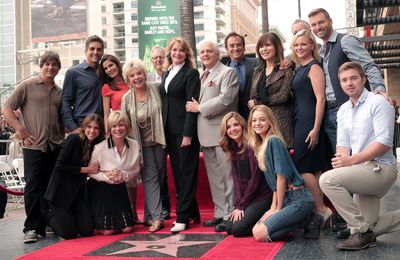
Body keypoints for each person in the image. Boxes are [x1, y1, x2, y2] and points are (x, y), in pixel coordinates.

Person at [319, 62, 400, 251]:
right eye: (344, 80)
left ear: (363, 79)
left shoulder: (378, 102)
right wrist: (341, 163)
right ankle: (366, 232)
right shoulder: (343, 110)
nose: (349, 83)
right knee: (371, 226)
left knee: (327, 180)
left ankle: (359, 230)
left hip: (381, 169)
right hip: (361, 170)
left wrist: (350, 162)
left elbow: (384, 143)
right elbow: (343, 145)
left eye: (353, 78)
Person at [2, 51, 65, 243]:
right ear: (41, 66)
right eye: (47, 64)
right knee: (33, 187)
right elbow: (6, 108)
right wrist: (20, 129)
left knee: (50, 187)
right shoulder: (27, 86)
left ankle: (47, 221)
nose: (50, 67)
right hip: (33, 145)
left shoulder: (60, 92)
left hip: (55, 145)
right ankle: (31, 227)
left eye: (54, 65)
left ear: (58, 68)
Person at [308, 8, 386, 149]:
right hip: (329, 113)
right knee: (342, 159)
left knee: (358, 155)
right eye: (313, 25)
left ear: (330, 21)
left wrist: (379, 89)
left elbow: (368, 66)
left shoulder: (345, 41)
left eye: (321, 22)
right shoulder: (321, 51)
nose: (317, 27)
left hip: (351, 108)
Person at [186, 40, 238, 232]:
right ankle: (219, 213)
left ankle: (231, 213)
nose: (205, 54)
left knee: (227, 175)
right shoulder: (202, 76)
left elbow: (226, 99)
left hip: (221, 133)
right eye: (202, 52)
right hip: (205, 135)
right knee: (215, 177)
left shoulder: (227, 72)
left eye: (209, 51)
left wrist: (200, 108)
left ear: (217, 54)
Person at [249, 105, 314, 242]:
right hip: (285, 199)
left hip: (298, 199)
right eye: (254, 120)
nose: (257, 124)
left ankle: (304, 218)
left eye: (262, 120)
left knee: (260, 234)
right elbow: (274, 185)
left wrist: (277, 209)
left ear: (270, 122)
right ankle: (302, 222)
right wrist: (272, 207)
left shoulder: (274, 141)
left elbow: (281, 179)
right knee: (256, 231)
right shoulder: (261, 145)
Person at [159, 37, 201, 233]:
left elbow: (191, 106)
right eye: (174, 50)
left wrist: (188, 133)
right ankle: (193, 212)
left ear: (187, 54)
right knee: (178, 174)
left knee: (186, 174)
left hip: (184, 132)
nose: (177, 53)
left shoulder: (191, 74)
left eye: (181, 50)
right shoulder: (166, 73)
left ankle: (182, 217)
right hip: (169, 132)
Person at [291, 29, 332, 228]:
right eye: (297, 45)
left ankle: (321, 209)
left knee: (303, 166)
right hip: (300, 118)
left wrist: (315, 128)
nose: (300, 48)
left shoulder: (314, 67)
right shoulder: (299, 67)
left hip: (309, 121)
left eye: (304, 44)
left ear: (312, 46)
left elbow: (321, 98)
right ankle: (322, 209)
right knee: (314, 168)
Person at [121, 59, 166, 232]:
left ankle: (148, 215)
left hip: (160, 141)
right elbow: (124, 124)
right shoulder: (126, 99)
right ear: (128, 79)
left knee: (159, 178)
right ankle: (156, 217)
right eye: (132, 75)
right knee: (150, 178)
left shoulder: (156, 88)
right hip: (141, 145)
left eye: (139, 73)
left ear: (144, 73)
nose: (137, 77)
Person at [45, 114, 105, 239]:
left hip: (77, 193)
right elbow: (60, 166)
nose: (92, 131)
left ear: (100, 131)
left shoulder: (97, 144)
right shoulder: (73, 139)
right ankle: (47, 217)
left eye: (96, 128)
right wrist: (86, 169)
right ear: (84, 127)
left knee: (87, 230)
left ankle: (68, 218)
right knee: (69, 234)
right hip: (59, 193)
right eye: (89, 127)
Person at [99, 54, 138, 223]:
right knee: (120, 172)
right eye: (106, 68)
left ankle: (134, 211)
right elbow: (107, 113)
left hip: (135, 129)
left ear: (117, 64)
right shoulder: (107, 88)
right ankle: (124, 213)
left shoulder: (131, 80)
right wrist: (109, 138)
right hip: (119, 132)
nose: (110, 69)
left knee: (132, 174)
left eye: (111, 65)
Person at [219, 112, 273, 237]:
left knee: (238, 230)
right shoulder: (233, 148)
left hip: (262, 197)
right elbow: (237, 180)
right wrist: (238, 205)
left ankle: (265, 219)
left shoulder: (251, 145)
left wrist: (242, 205)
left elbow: (255, 179)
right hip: (249, 198)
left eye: (235, 125)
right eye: (228, 127)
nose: (232, 129)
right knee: (229, 228)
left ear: (242, 126)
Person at [87, 111, 140, 235]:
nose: (117, 129)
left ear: (127, 127)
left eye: (121, 125)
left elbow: (136, 169)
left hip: (120, 189)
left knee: (127, 229)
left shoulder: (134, 145)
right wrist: (106, 176)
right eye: (114, 126)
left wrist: (123, 175)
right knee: (108, 231)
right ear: (109, 128)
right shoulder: (100, 147)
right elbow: (90, 172)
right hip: (102, 189)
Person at [248, 32, 294, 148]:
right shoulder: (257, 71)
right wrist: (252, 102)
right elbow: (253, 95)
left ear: (276, 47)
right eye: (261, 46)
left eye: (268, 45)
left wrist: (258, 103)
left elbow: (283, 95)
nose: (264, 49)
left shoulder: (286, 68)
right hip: (261, 126)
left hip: (280, 122)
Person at [147, 45, 171, 220]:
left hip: (171, 128)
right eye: (155, 58)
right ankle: (162, 206)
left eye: (161, 57)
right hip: (155, 132)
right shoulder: (146, 79)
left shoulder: (173, 74)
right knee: (158, 171)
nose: (158, 60)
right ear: (151, 61)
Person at [61, 35, 104, 133]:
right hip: (82, 124)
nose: (95, 52)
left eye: (99, 49)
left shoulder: (105, 72)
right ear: (86, 51)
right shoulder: (73, 72)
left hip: (101, 126)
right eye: (92, 49)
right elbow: (65, 102)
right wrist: (73, 128)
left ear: (102, 52)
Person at [224, 32, 257, 120]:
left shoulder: (257, 63)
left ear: (244, 47)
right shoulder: (223, 70)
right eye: (232, 45)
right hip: (233, 117)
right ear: (227, 49)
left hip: (254, 114)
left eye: (239, 45)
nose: (236, 48)